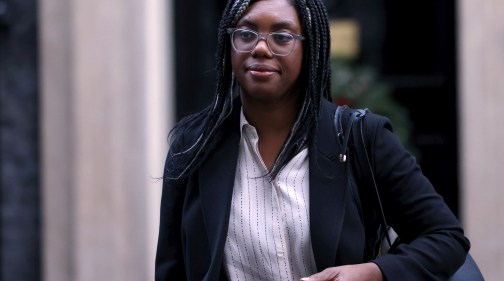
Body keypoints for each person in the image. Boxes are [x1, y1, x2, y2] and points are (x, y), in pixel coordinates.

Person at [155, 0, 470, 280]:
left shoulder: (361, 138)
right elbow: (171, 268)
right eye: (247, 33)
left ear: (311, 49)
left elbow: (445, 237)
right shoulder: (194, 145)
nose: (260, 48)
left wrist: (372, 273)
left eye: (281, 36)